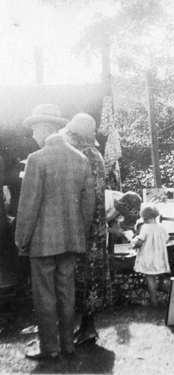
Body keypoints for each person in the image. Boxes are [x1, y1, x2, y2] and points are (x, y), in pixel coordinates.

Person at [15, 104, 95, 361]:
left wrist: (21, 240)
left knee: (45, 296)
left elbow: (29, 205)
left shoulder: (36, 159)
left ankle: (49, 348)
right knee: (66, 292)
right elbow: (88, 204)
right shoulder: (80, 158)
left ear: (43, 128)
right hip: (71, 240)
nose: (33, 136)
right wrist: (78, 233)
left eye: (34, 130)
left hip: (42, 242)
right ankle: (68, 345)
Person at [59, 113, 112, 347]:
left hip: (87, 229)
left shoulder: (86, 156)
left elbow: (85, 196)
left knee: (86, 280)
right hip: (96, 227)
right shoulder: (95, 154)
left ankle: (87, 329)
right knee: (90, 280)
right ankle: (85, 328)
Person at [131, 203, 171, 306]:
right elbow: (166, 240)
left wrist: (133, 245)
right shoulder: (161, 227)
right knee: (155, 276)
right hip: (159, 257)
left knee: (150, 277)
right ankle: (159, 295)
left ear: (144, 216)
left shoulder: (145, 227)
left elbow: (140, 242)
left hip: (148, 256)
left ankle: (153, 300)